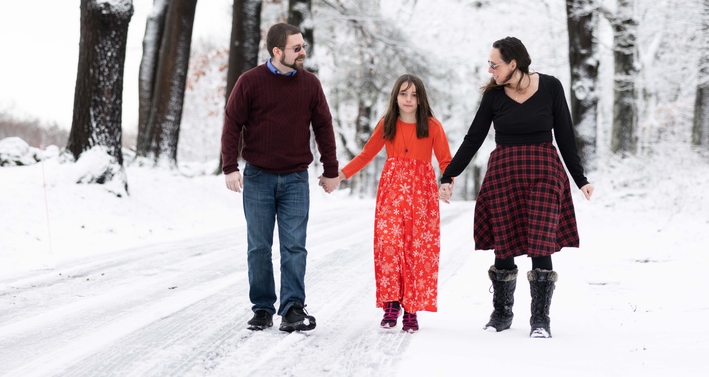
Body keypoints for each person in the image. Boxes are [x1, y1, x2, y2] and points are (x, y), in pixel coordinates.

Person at [438, 36, 594, 339]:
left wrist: (580, 178)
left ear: (513, 63)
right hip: (504, 173)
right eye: (489, 64)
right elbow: (473, 138)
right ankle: (502, 313)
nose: (490, 70)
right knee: (503, 242)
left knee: (541, 242)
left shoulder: (550, 86)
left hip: (544, 172)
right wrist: (449, 175)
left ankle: (540, 320)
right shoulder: (494, 96)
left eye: (494, 65)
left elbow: (564, 135)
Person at [221, 22, 340, 333]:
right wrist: (230, 167)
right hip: (258, 177)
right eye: (296, 47)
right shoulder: (249, 82)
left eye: (302, 46)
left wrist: (330, 170)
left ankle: (292, 308)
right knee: (258, 247)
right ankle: (262, 308)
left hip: (296, 179)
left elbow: (324, 127)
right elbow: (232, 124)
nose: (303, 52)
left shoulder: (310, 84)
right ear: (277, 51)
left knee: (294, 246)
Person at [321, 74, 452, 333]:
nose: (408, 99)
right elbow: (366, 154)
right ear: (395, 96)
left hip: (421, 195)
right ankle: (391, 302)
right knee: (390, 245)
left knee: (416, 249)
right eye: (403, 93)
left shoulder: (433, 126)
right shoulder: (387, 124)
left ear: (421, 98)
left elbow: (446, 160)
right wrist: (340, 176)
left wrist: (447, 183)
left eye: (414, 94)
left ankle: (411, 308)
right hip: (391, 194)